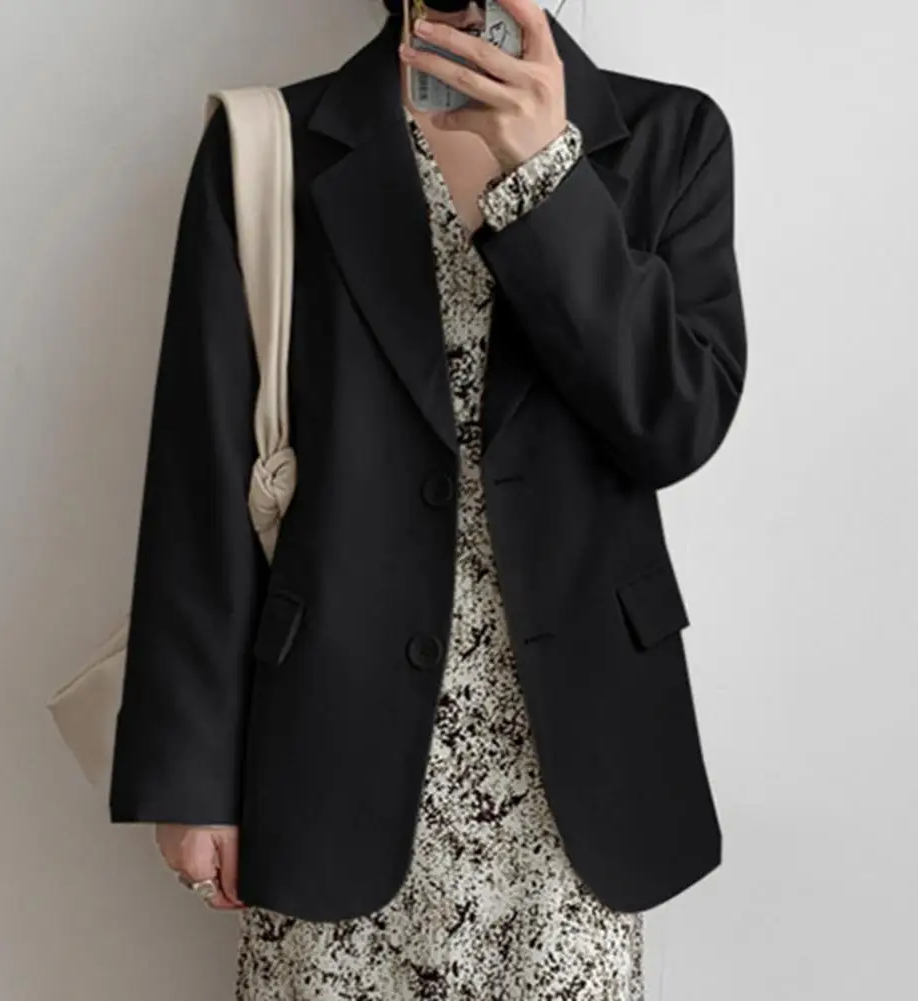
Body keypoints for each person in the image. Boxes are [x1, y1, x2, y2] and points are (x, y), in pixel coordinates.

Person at [108, 0, 747, 997]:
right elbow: (201, 473)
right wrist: (189, 777)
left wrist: (545, 180)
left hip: (569, 774)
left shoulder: (669, 136)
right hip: (328, 751)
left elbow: (674, 424)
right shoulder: (271, 143)